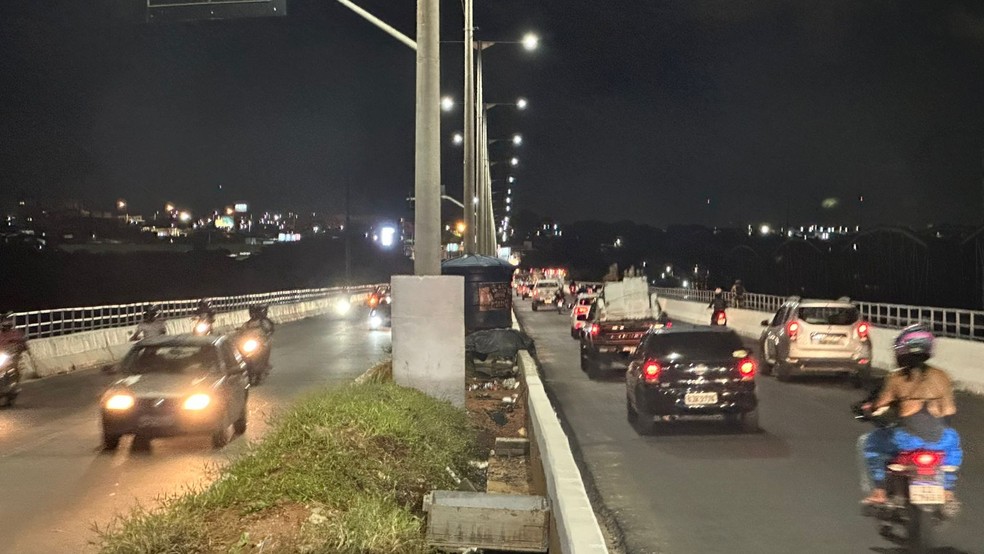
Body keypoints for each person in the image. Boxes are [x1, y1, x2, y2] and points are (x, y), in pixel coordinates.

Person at [860, 324, 962, 505]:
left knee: (871, 445)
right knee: (952, 449)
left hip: (907, 440)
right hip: (940, 439)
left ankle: (880, 491)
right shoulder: (942, 376)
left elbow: (880, 404)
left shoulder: (897, 377)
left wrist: (870, 409)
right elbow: (949, 410)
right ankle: (947, 492)